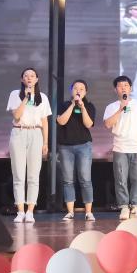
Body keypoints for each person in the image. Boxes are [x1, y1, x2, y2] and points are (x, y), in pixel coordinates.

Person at [102, 75, 137, 220]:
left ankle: (136, 207)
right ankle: (124, 207)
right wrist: (120, 109)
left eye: (126, 85)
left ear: (130, 88)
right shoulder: (111, 107)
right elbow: (107, 124)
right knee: (121, 179)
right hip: (120, 148)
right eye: (120, 86)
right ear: (115, 89)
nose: (123, 88)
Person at [6, 68, 52, 222]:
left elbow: (45, 121)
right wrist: (25, 98)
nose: (29, 78)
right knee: (18, 174)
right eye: (26, 76)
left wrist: (45, 142)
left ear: (37, 79)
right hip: (18, 132)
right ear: (22, 79)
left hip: (36, 132)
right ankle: (20, 211)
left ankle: (30, 211)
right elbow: (17, 116)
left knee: (33, 175)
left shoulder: (43, 97)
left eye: (32, 76)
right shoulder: (15, 94)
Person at [56, 79, 96, 221]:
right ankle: (70, 212)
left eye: (81, 89)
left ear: (85, 92)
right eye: (75, 88)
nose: (78, 91)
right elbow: (61, 121)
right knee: (68, 180)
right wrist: (73, 105)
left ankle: (88, 212)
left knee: (85, 179)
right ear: (71, 91)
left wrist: (82, 107)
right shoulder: (64, 105)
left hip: (84, 146)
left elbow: (88, 124)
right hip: (65, 146)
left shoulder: (89, 106)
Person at [119, 1, 137, 84]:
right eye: (136, 9)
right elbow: (122, 31)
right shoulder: (124, 21)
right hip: (129, 49)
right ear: (130, 11)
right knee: (129, 72)